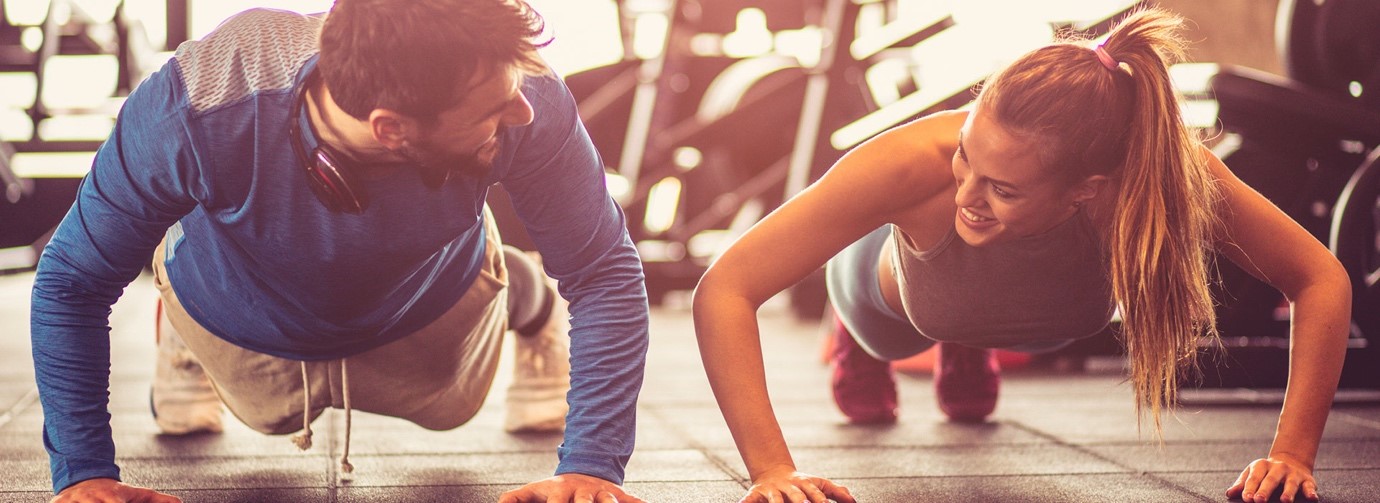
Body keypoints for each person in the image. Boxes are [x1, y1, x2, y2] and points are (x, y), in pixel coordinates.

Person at [692, 7, 1351, 503]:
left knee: (983, 296)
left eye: (1002, 186)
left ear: (1087, 191)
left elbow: (1319, 277)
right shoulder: (917, 164)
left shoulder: (1163, 180)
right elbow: (726, 287)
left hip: (1024, 304)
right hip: (893, 291)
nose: (965, 192)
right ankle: (866, 340)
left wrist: (1293, 454)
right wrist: (772, 469)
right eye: (966, 155)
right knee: (890, 328)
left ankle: (967, 340)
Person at [29, 1, 651, 502]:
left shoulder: (522, 94)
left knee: (451, 406)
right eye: (494, 109)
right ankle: (183, 337)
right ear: (391, 128)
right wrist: (83, 475)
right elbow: (72, 280)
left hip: (432, 296)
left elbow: (602, 272)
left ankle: (527, 303)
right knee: (266, 413)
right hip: (239, 305)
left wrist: (594, 468)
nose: (519, 112)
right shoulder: (192, 106)